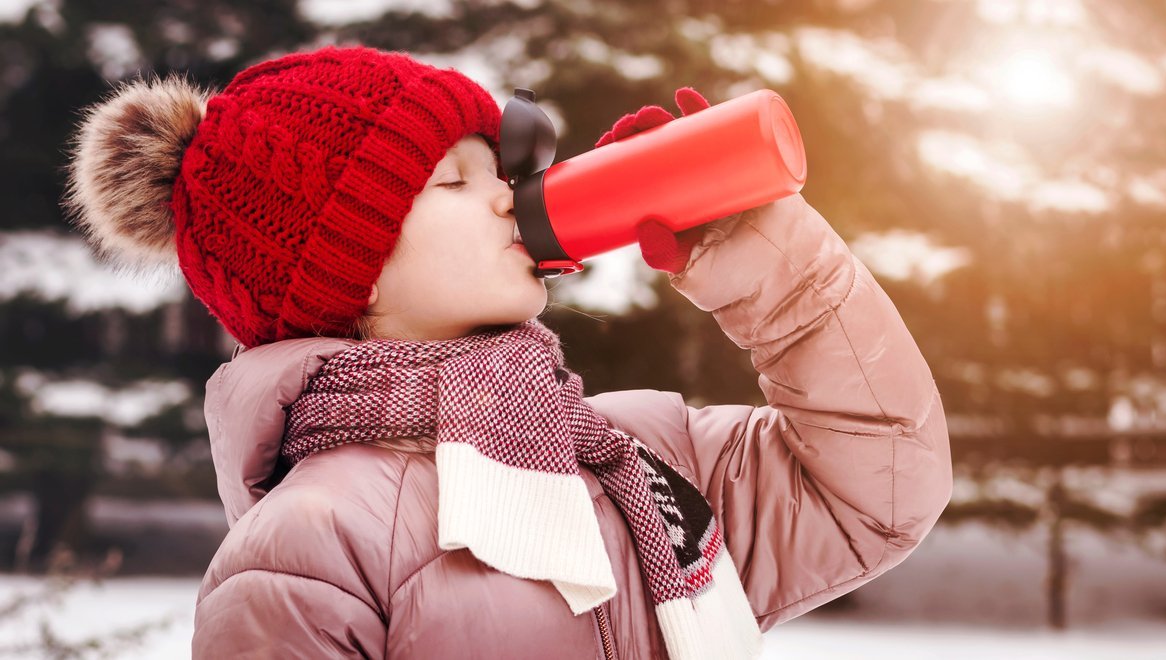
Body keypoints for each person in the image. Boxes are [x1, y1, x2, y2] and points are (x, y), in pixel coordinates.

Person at [64, 45, 952, 659]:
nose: (504, 198)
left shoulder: (635, 459)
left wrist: (772, 267)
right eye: (453, 180)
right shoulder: (311, 546)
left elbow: (871, 491)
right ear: (349, 275)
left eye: (498, 168)